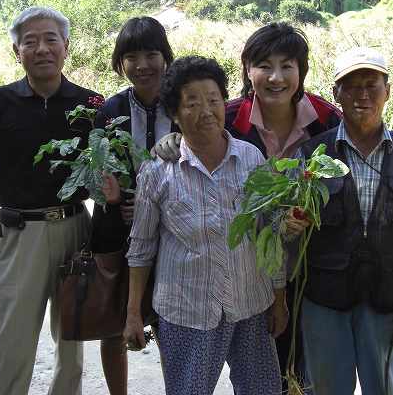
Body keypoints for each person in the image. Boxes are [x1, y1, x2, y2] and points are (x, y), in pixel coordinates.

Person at [155, 23, 393, 391]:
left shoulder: (324, 117)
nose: (276, 77)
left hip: (311, 270)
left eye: (287, 65)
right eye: (264, 65)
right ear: (247, 70)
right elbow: (195, 130)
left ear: (301, 72)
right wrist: (172, 140)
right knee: (266, 367)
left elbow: (366, 133)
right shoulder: (228, 116)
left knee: (302, 369)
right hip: (248, 269)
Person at [120, 56, 287, 395]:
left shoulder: (252, 159)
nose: (206, 111)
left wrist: (279, 297)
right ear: (175, 114)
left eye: (213, 100)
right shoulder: (157, 171)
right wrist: (133, 313)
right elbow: (141, 247)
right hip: (186, 310)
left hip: (250, 305)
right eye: (192, 103)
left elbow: (269, 233)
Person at [0, 6, 103, 395]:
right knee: (12, 337)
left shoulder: (91, 104)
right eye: (30, 41)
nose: (41, 48)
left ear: (66, 46)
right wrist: (8, 198)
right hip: (20, 230)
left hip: (76, 228)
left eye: (50, 39)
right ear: (16, 51)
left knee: (72, 338)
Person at [286, 47, 393, 395]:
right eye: (350, 86)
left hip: (387, 302)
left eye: (371, 85)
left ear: (388, 91)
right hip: (324, 300)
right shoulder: (311, 156)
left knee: (385, 388)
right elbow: (289, 234)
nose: (362, 95)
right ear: (337, 94)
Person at [90, 16, 175, 395]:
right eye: (131, 56)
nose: (142, 65)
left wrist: (150, 205)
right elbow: (94, 172)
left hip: (172, 232)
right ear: (119, 62)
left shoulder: (182, 102)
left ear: (165, 57)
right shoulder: (109, 110)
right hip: (117, 231)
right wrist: (112, 199)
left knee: (169, 323)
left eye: (151, 54)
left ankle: (178, 386)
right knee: (114, 324)